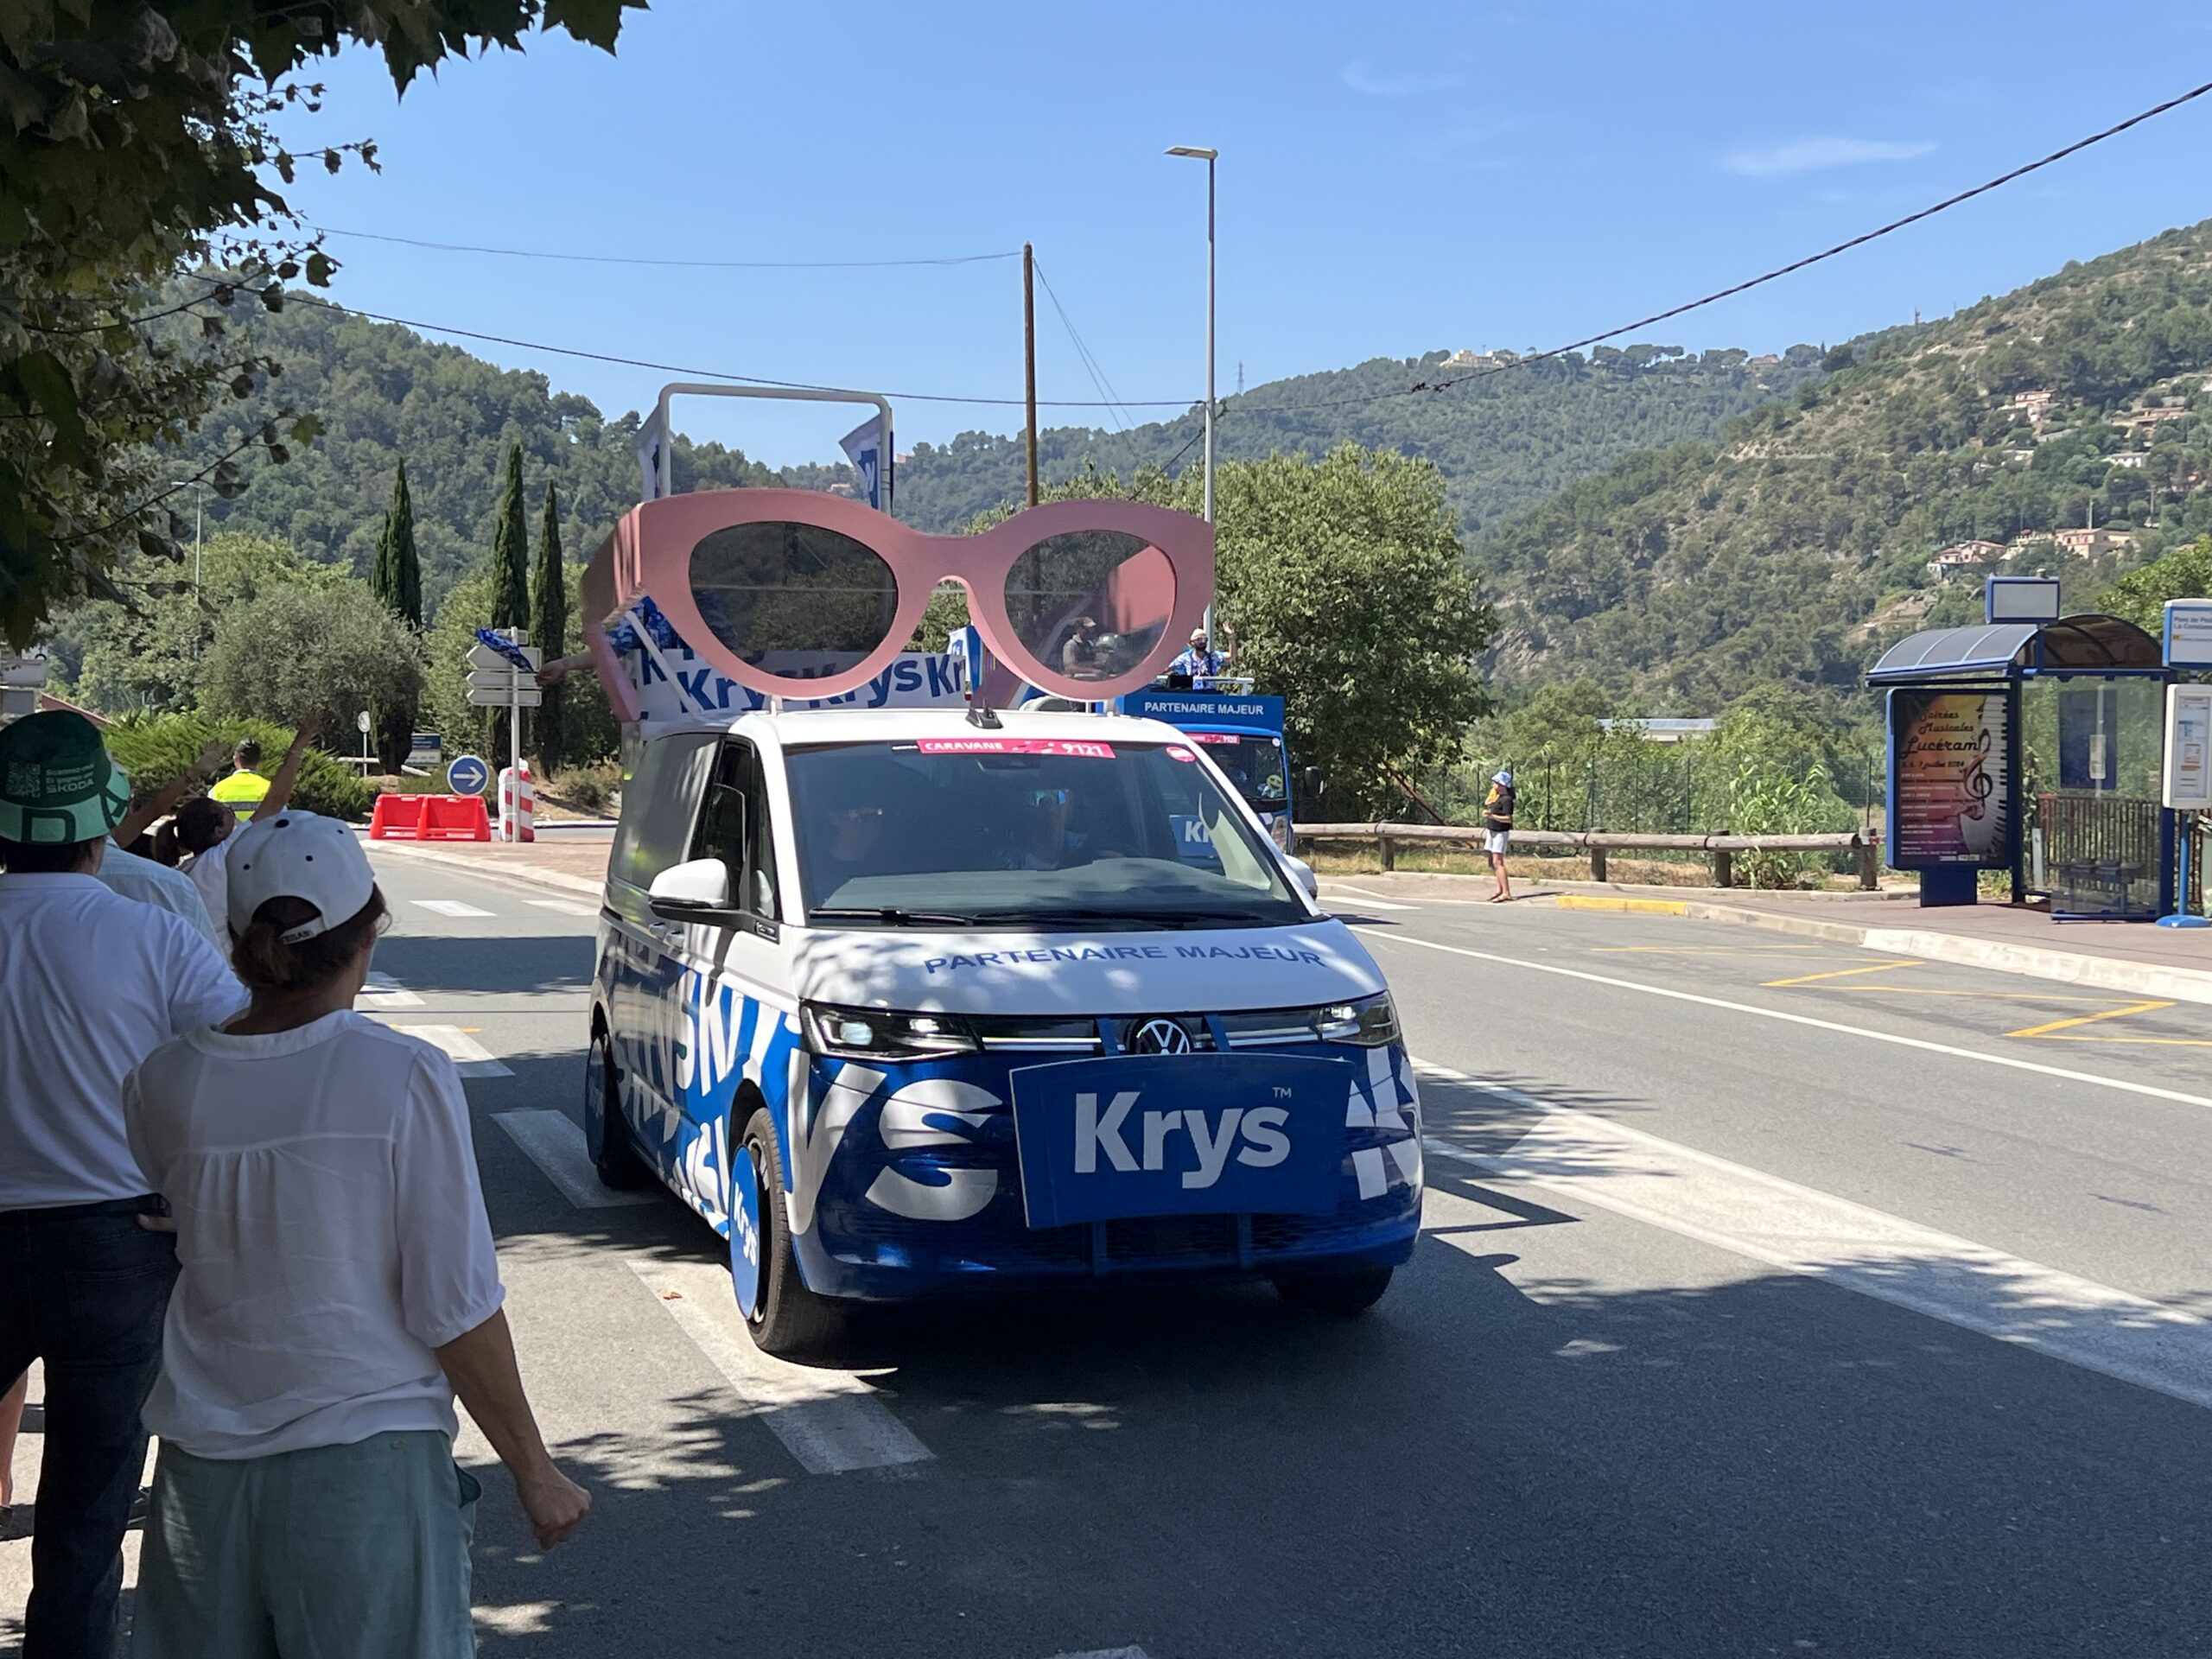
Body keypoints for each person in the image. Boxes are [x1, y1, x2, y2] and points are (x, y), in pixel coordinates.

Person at [124, 810, 589, 1653]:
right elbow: (454, 1305)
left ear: (239, 941)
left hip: (202, 1478)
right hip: (364, 1469)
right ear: (367, 933)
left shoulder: (164, 1078)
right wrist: (535, 1469)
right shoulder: (402, 1073)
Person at [0, 711, 246, 1657]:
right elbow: (238, 1066)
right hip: (117, 1244)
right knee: (89, 1512)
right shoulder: (154, 936)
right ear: (102, 827)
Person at [173, 717, 322, 934]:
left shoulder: (218, 791)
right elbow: (277, 805)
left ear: (235, 760)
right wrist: (298, 746)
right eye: (226, 812)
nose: (231, 813)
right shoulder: (221, 857)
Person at [207, 737, 270, 823]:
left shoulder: (217, 790)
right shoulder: (271, 789)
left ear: (235, 759)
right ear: (259, 762)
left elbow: (210, 823)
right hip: (261, 832)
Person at [1483, 769, 1516, 903]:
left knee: (1498, 862)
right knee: (1493, 862)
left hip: (1500, 833)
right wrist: (1493, 794)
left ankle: (1506, 892)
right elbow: (1487, 803)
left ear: (1502, 784)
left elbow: (1508, 819)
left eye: (1496, 783)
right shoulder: (1497, 796)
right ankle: (1499, 889)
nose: (1493, 785)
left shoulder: (1507, 800)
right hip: (1492, 830)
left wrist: (1492, 816)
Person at [1166, 624, 1235, 683]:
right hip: (1192, 693)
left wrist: (1231, 636)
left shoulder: (1213, 657)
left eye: (1204, 639)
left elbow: (1231, 655)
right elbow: (1168, 668)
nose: (1202, 642)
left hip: (1210, 693)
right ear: (1192, 642)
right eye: (1199, 639)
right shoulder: (1185, 658)